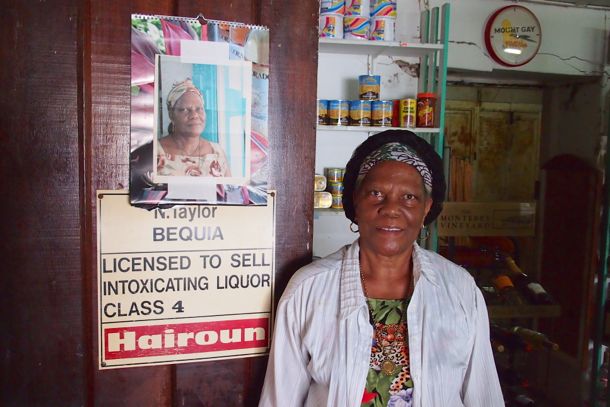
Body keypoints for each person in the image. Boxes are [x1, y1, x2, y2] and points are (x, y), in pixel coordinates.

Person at [259, 130, 503, 406]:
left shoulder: (459, 290)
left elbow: (483, 396)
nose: (391, 209)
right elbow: (280, 399)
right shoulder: (308, 289)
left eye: (409, 197)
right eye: (376, 193)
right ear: (354, 201)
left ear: (427, 208)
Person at [156, 78, 231, 177]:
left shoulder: (217, 152)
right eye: (185, 109)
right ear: (171, 115)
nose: (194, 115)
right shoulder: (155, 152)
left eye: (199, 109)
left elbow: (231, 190)